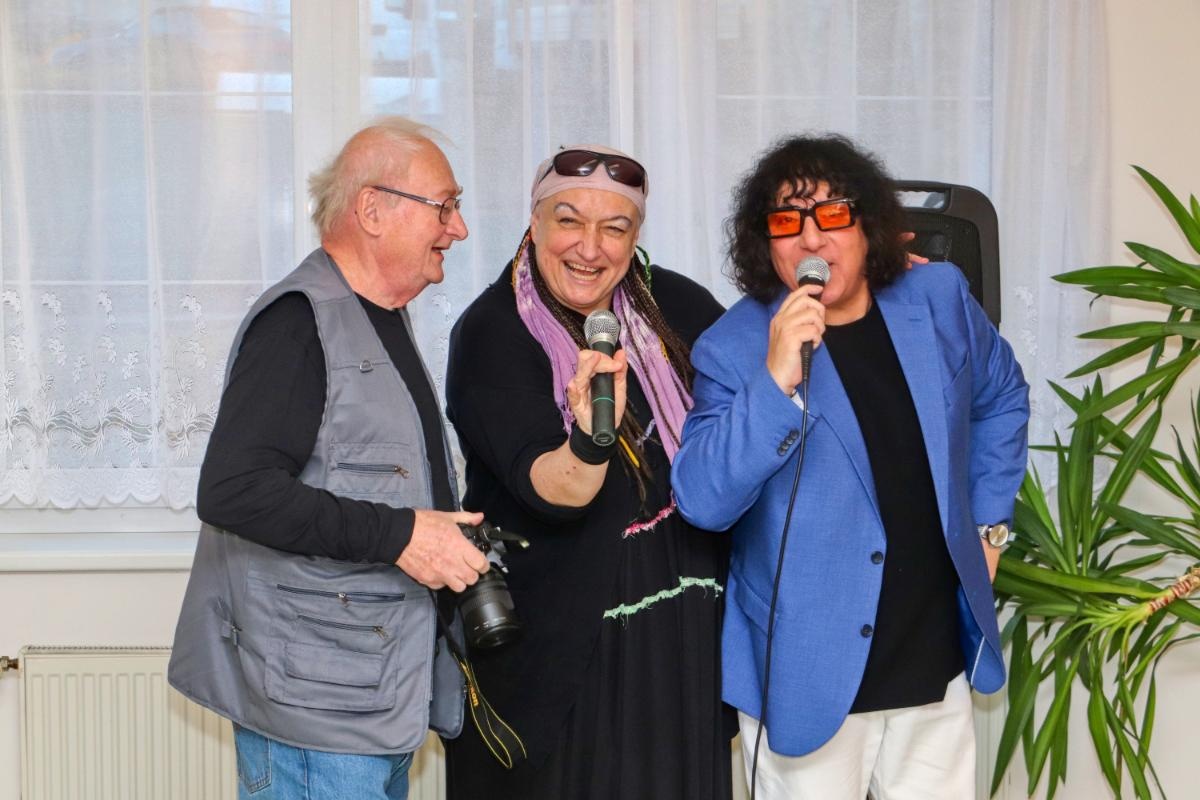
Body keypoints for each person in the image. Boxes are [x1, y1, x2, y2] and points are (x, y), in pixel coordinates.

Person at [670, 134, 1030, 800]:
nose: (811, 238)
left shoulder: (938, 297)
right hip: (807, 671)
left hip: (934, 659)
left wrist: (990, 527)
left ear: (870, 227)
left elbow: (1002, 398)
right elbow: (702, 500)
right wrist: (773, 382)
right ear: (766, 243)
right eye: (787, 222)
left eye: (833, 214)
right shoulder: (734, 346)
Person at [168, 117, 490, 800]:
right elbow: (233, 489)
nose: (458, 229)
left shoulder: (378, 314)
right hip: (316, 713)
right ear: (372, 210)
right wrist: (403, 534)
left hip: (367, 696)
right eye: (445, 206)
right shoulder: (297, 321)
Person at [442, 145, 734, 799]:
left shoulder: (678, 306)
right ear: (535, 222)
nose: (590, 248)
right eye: (569, 220)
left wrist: (865, 286)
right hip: (559, 656)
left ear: (636, 235)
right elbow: (554, 491)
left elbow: (761, 395)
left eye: (615, 227)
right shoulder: (492, 333)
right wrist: (589, 438)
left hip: (681, 637)